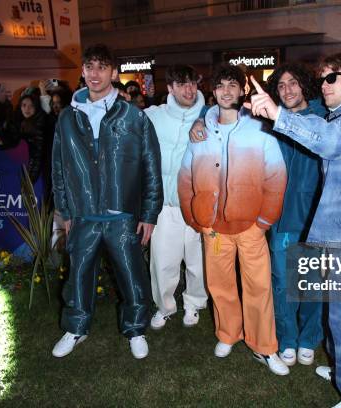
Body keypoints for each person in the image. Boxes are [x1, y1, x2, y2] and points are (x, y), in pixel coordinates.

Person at [247, 52, 341, 408]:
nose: (324, 85)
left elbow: (331, 141)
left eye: (332, 78)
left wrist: (278, 114)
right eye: (322, 78)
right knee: (340, 317)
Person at [51, 44, 163, 360]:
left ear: (113, 72)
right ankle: (76, 328)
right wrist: (64, 211)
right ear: (83, 71)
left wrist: (149, 213)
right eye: (89, 67)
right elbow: (58, 167)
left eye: (102, 67)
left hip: (122, 215)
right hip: (83, 215)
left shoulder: (133, 116)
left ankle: (136, 329)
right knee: (78, 277)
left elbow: (151, 166)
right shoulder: (67, 118)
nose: (95, 74)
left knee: (132, 276)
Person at [178, 63, 288, 376]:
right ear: (212, 92)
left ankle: (264, 347)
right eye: (221, 86)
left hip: (251, 227)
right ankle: (227, 333)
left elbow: (276, 176)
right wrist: (195, 217)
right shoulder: (200, 132)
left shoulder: (260, 129)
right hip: (213, 229)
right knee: (220, 285)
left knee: (259, 287)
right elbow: (186, 176)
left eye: (232, 86)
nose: (226, 91)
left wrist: (265, 220)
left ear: (242, 91)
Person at [264, 63, 326, 368]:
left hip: (314, 214)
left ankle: (309, 338)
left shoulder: (322, 118)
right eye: (281, 86)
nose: (287, 90)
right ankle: (287, 338)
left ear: (304, 85)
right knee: (282, 281)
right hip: (280, 216)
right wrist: (201, 118)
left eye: (293, 83)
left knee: (313, 281)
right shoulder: (271, 121)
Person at [144, 65, 208, 329]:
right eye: (182, 84)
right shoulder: (152, 116)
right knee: (162, 261)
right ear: (170, 88)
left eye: (192, 83)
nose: (189, 89)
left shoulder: (210, 116)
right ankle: (165, 306)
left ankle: (193, 303)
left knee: (198, 262)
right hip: (165, 204)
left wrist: (205, 117)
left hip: (196, 204)